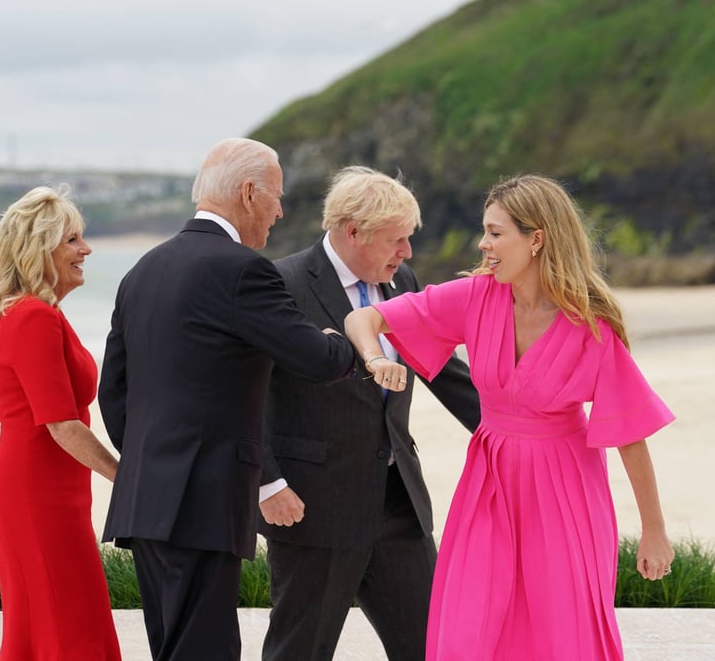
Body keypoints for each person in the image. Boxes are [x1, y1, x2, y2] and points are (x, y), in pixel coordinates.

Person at [345, 174, 675, 660]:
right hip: (489, 482)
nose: (483, 244)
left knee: (561, 634)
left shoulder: (590, 324)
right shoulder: (476, 297)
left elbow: (629, 434)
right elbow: (364, 318)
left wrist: (653, 531)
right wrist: (376, 359)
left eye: (496, 233)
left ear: (536, 239)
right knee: (467, 627)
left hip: (565, 489)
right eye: (485, 231)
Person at [98, 138, 356, 661]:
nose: (280, 211)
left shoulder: (141, 271)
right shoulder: (242, 270)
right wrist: (359, 332)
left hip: (144, 503)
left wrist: (157, 464)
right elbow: (319, 361)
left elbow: (115, 396)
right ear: (247, 193)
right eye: (276, 197)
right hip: (205, 504)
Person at [258, 166, 480, 661]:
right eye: (396, 240)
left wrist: (515, 431)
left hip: (398, 501)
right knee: (299, 652)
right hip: (312, 508)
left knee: (432, 648)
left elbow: (444, 371)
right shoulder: (280, 284)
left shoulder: (403, 282)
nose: (407, 253)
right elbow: (243, 396)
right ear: (352, 231)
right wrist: (266, 483)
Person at [0, 185, 121, 660]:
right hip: (36, 493)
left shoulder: (44, 315)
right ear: (39, 249)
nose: (85, 250)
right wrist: (127, 478)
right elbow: (61, 424)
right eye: (72, 240)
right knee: (66, 627)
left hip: (54, 489)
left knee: (57, 622)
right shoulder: (32, 318)